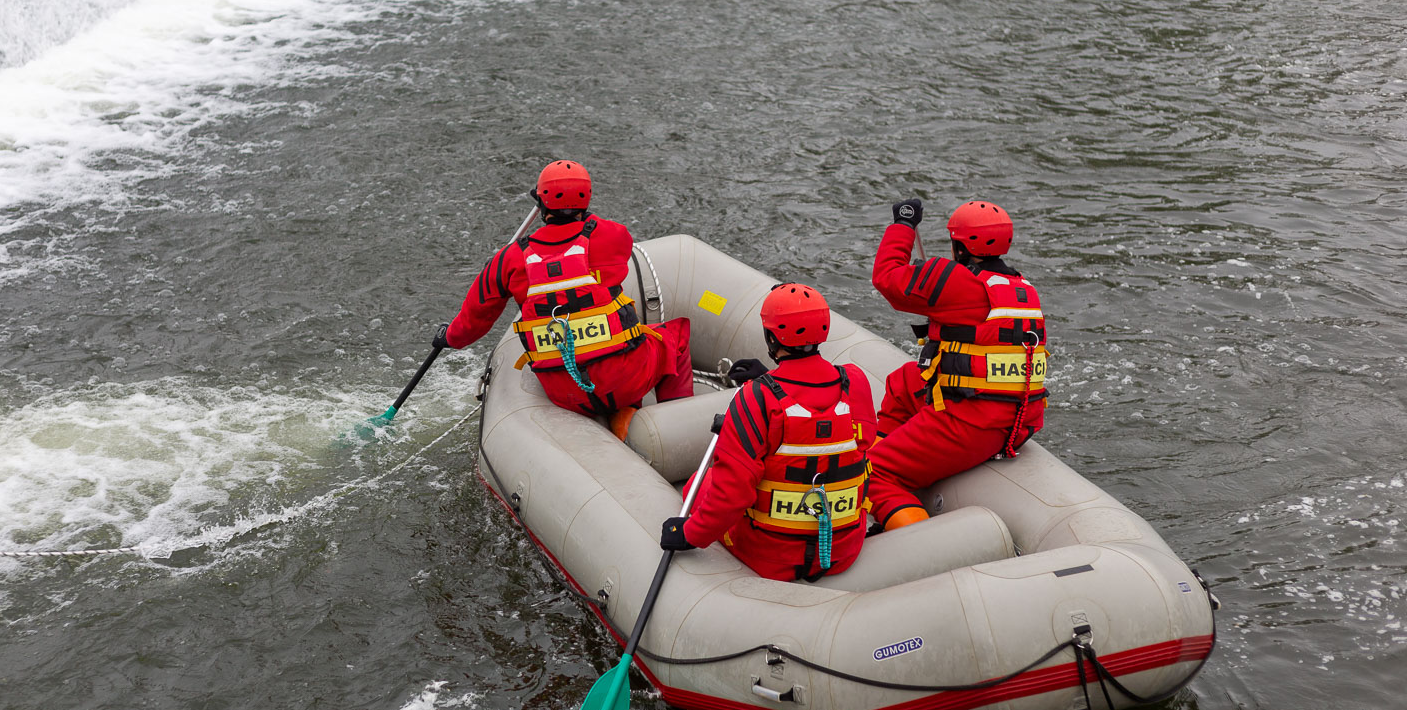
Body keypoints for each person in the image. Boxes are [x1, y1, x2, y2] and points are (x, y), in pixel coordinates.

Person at [434, 161, 692, 434]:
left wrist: (447, 337)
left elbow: (472, 324)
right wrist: (582, 213)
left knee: (606, 356)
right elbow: (615, 237)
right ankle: (672, 431)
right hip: (624, 378)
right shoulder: (609, 236)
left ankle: (625, 410)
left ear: (541, 202)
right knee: (676, 337)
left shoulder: (509, 259)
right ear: (588, 197)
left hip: (564, 390)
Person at [659, 283, 878, 581]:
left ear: (771, 337)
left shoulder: (756, 399)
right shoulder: (854, 382)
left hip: (768, 557)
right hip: (841, 550)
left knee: (701, 481)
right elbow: (833, 434)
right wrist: (769, 378)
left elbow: (731, 495)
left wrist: (688, 534)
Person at [863, 198, 1049, 531]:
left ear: (959, 245)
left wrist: (903, 224)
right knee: (905, 381)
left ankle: (912, 532)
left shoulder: (954, 280)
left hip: (972, 421)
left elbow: (887, 278)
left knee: (870, 472)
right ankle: (889, 448)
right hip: (1018, 417)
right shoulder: (1023, 288)